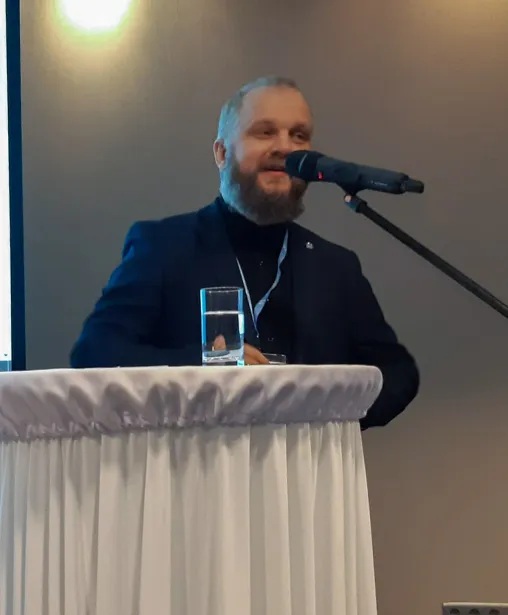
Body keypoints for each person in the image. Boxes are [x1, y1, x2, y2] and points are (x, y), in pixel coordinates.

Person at [70, 76, 419, 429]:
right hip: (198, 471)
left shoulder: (336, 266)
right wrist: (200, 369)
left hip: (306, 474)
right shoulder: (163, 246)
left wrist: (327, 412)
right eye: (264, 132)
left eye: (299, 136)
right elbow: (95, 352)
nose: (285, 147)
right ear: (222, 153)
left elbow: (398, 374)